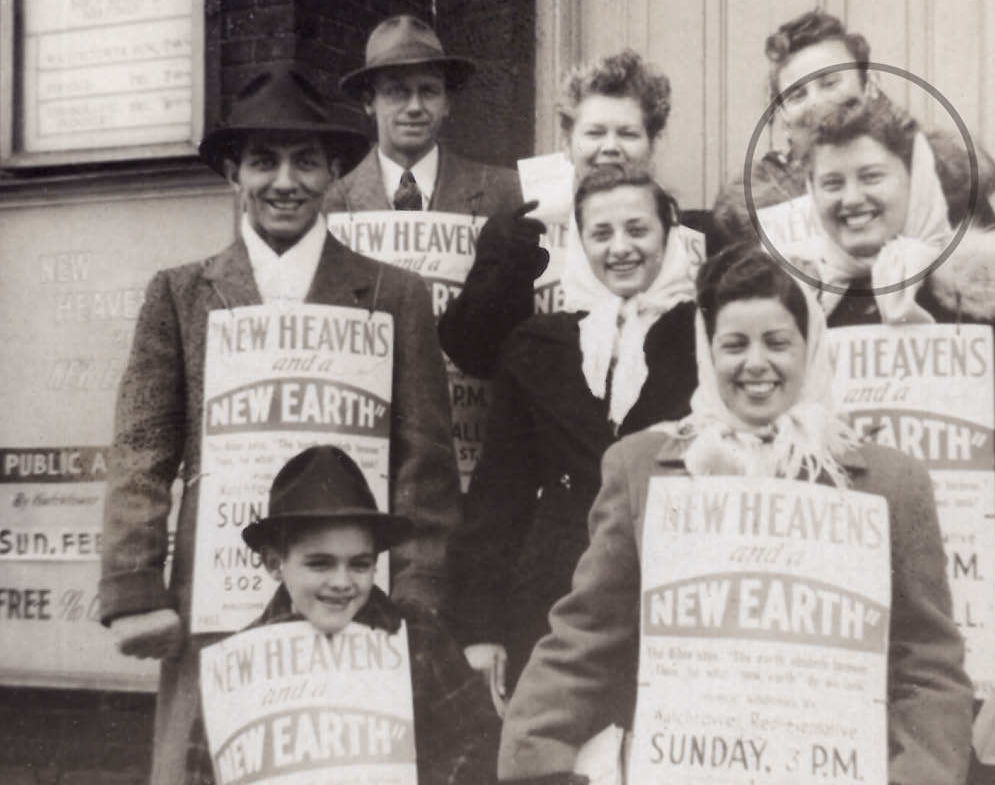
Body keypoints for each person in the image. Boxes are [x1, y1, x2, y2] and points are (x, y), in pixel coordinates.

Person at [98, 66, 460, 784]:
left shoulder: (394, 293)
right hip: (219, 599)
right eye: (263, 161)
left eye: (304, 161)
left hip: (354, 598)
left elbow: (426, 465)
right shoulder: (180, 294)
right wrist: (135, 587)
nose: (284, 181)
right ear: (234, 172)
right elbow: (142, 448)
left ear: (333, 171)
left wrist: (416, 599)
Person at [497, 243, 974, 785]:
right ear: (707, 352)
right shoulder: (645, 469)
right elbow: (584, 637)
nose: (755, 364)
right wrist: (537, 760)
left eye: (777, 343)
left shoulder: (889, 483)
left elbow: (927, 666)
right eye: (734, 345)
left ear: (811, 347)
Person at [785, 94, 995, 784]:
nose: (851, 199)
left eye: (871, 177)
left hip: (972, 626)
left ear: (913, 179)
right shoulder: (794, 310)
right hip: (840, 632)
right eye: (831, 183)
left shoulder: (987, 308)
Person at [445, 167, 699, 710]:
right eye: (601, 234)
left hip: (675, 589)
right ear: (580, 245)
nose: (621, 248)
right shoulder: (539, 345)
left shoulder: (705, 335)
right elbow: (499, 497)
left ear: (668, 234)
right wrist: (482, 628)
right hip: (557, 592)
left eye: (638, 230)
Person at [185, 445, 497, 785]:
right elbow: (201, 774)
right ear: (275, 563)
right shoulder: (236, 667)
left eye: (360, 564)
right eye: (320, 563)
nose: (342, 582)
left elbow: (479, 744)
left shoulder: (417, 636)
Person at [439, 49, 706, 380]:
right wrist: (509, 273)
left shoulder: (696, 235)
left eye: (628, 133)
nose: (610, 147)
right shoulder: (517, 233)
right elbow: (473, 357)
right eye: (594, 133)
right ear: (567, 142)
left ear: (653, 143)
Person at [711, 8, 995, 251]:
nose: (817, 103)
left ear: (870, 85)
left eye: (830, 83)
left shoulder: (943, 174)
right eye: (797, 95)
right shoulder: (753, 209)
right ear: (784, 116)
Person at [323, 14, 523, 218]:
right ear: (369, 102)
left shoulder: (506, 194)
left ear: (447, 102)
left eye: (429, 91)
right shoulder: (329, 206)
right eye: (397, 91)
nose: (415, 107)